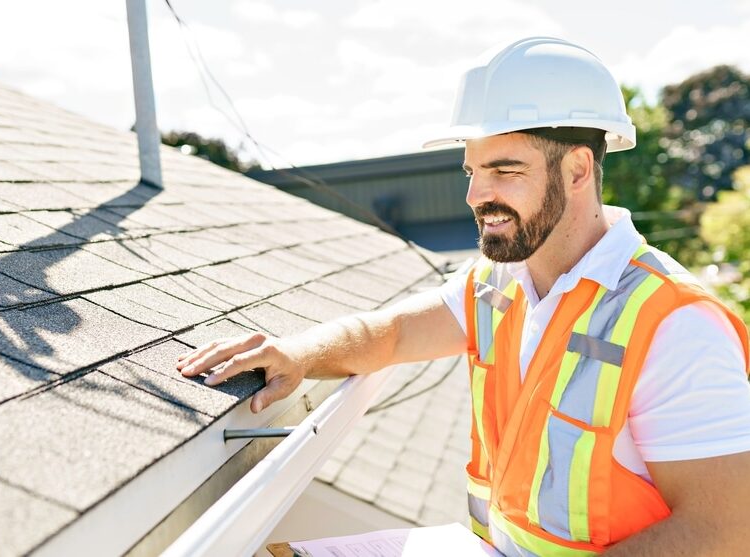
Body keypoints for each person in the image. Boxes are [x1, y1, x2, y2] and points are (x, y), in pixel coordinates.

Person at [176, 37, 750, 555]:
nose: (477, 195)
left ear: (578, 170)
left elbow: (727, 530)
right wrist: (297, 353)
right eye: (471, 171)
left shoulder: (674, 323)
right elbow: (393, 334)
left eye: (504, 170)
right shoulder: (500, 283)